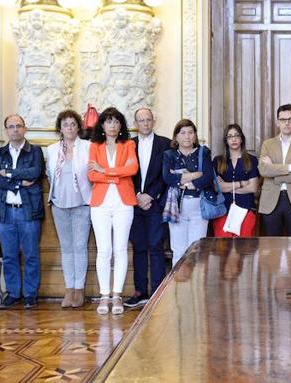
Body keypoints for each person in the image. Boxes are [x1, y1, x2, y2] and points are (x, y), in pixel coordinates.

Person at [0, 114, 44, 309]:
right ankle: (13, 293)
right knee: (9, 255)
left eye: (18, 126)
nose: (15, 130)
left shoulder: (35, 151)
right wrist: (18, 184)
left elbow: (35, 172)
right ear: (6, 131)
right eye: (11, 127)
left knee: (30, 255)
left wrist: (10, 174)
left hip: (28, 211)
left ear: (25, 129)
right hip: (5, 211)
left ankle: (30, 294)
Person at [88, 107, 138, 315]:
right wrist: (117, 174)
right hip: (100, 203)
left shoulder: (129, 144)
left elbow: (132, 169)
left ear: (121, 125)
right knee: (104, 250)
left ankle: (117, 295)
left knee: (120, 249)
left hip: (123, 203)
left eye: (116, 122)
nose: (113, 125)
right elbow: (92, 175)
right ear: (102, 125)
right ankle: (104, 295)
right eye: (109, 121)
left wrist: (105, 171)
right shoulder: (95, 146)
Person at [46, 110, 92, 309]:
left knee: (80, 246)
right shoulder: (51, 149)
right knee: (66, 248)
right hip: (59, 204)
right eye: (66, 124)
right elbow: (50, 176)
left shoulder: (88, 147)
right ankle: (69, 289)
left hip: (82, 203)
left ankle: (79, 289)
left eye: (73, 124)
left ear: (78, 127)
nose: (70, 128)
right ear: (60, 128)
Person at [125, 107, 171, 308]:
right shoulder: (127, 145)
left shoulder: (165, 144)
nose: (145, 123)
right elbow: (126, 173)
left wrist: (150, 195)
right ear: (135, 124)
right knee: (139, 247)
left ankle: (157, 292)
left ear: (153, 121)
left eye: (148, 120)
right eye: (141, 120)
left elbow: (166, 175)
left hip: (155, 203)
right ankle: (140, 291)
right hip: (134, 204)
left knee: (156, 247)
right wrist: (137, 195)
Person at [162, 119, 214, 266]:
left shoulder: (203, 152)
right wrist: (194, 175)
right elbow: (168, 177)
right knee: (178, 250)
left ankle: (196, 288)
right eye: (183, 133)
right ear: (176, 137)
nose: (187, 136)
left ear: (195, 136)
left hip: (199, 207)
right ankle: (178, 287)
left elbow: (208, 177)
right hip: (177, 207)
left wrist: (188, 184)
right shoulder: (169, 155)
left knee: (196, 250)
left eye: (190, 132)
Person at [258, 104, 291, 236]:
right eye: (283, 120)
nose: (286, 123)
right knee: (271, 246)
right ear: (278, 122)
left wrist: (274, 173)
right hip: (271, 200)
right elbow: (263, 170)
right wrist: (290, 167)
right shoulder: (268, 144)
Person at [212, 124, 260, 237]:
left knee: (244, 249)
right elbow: (217, 187)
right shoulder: (218, 160)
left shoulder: (251, 160)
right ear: (226, 140)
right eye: (230, 136)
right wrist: (241, 183)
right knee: (223, 249)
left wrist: (227, 187)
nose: (233, 139)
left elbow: (253, 187)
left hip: (246, 209)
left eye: (236, 136)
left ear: (241, 139)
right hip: (222, 210)